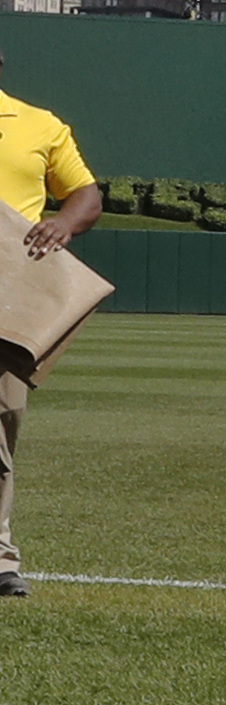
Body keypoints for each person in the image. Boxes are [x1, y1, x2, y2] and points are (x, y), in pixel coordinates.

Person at [0, 52, 103, 600]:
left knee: (3, 419)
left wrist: (63, 223)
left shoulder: (39, 124)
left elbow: (86, 195)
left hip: (11, 294)